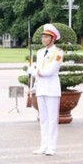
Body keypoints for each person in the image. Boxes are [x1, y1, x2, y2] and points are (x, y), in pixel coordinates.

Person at [28, 23, 63, 156]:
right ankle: (44, 145)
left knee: (53, 119)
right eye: (43, 36)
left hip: (52, 88)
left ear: (52, 38)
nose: (43, 39)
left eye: (46, 37)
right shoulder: (40, 52)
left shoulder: (58, 52)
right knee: (43, 118)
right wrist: (34, 86)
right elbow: (40, 69)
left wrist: (34, 71)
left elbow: (50, 70)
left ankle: (52, 146)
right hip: (42, 88)